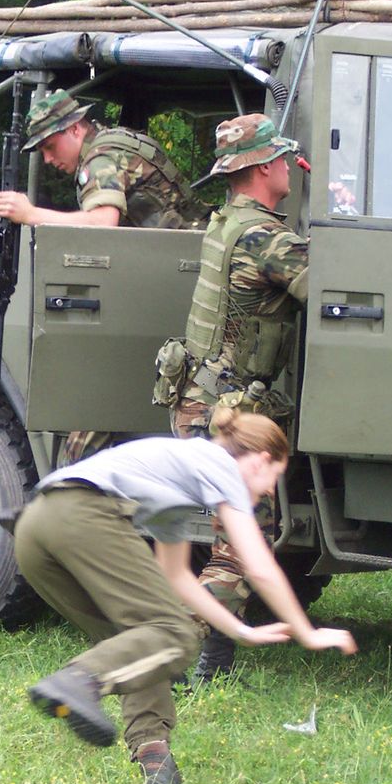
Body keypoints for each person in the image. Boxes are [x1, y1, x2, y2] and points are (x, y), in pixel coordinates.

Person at [14, 409, 357, 784]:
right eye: (272, 480)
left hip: (36, 528)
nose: (267, 494)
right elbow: (259, 565)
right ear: (261, 460)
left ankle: (155, 762)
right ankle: (78, 682)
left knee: (141, 638)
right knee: (174, 633)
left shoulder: (177, 480)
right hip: (80, 515)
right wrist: (307, 631)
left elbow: (177, 576)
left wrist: (240, 631)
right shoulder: (219, 464)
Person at [155, 113, 309, 683]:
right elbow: (329, 286)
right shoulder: (267, 238)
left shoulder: (228, 223)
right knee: (242, 545)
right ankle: (183, 656)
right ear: (266, 167)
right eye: (285, 159)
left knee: (232, 539)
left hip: (200, 398)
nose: (292, 166)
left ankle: (205, 661)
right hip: (228, 414)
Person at [0, 88, 209, 465]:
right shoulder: (112, 144)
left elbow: (101, 221)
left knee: (95, 422)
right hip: (182, 275)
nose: (47, 159)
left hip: (186, 277)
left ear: (75, 129)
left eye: (49, 145)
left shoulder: (100, 158)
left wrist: (29, 214)